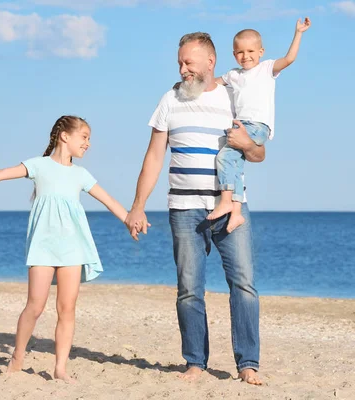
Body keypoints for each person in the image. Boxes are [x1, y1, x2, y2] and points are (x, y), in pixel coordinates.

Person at [0, 115, 129, 383]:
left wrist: (131, 220)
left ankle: (60, 367)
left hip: (73, 248)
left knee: (67, 309)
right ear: (65, 136)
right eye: (84, 137)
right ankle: (18, 355)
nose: (88, 144)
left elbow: (110, 201)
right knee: (35, 307)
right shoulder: (39, 166)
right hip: (43, 247)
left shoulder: (81, 174)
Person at [125, 32, 266, 385]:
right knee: (189, 289)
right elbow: (154, 156)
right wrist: (138, 206)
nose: (183, 69)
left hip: (232, 206)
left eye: (189, 62)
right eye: (179, 63)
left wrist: (248, 143)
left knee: (244, 286)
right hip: (184, 210)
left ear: (210, 62)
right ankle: (195, 362)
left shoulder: (235, 97)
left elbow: (258, 154)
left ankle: (248, 364)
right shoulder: (170, 99)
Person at [206, 17, 312, 233]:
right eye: (240, 52)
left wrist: (299, 33)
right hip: (241, 125)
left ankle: (226, 202)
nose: (246, 56)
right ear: (234, 54)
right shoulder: (234, 75)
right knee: (234, 164)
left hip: (256, 125)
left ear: (261, 52)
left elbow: (289, 58)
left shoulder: (266, 68)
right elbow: (213, 83)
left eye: (251, 51)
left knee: (225, 157)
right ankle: (236, 213)